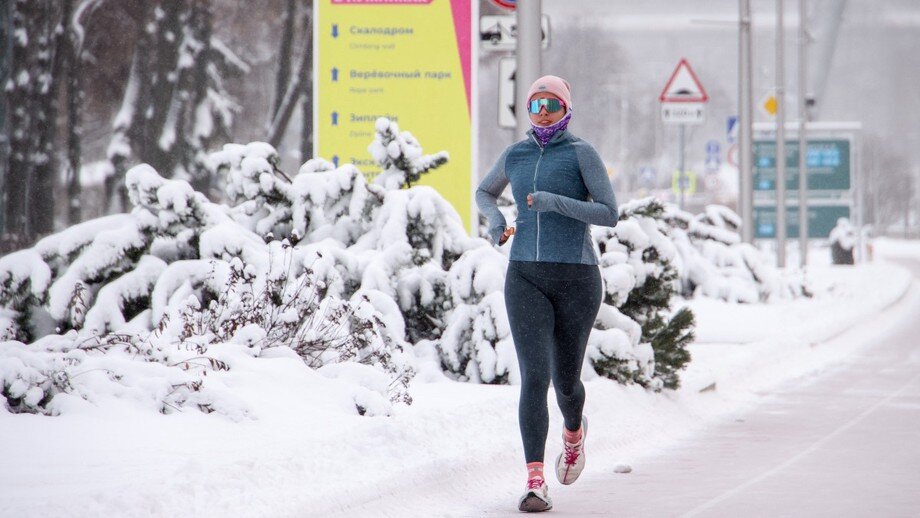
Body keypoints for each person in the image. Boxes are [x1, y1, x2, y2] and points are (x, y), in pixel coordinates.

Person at [476, 75, 619, 512]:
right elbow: (484, 192)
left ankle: (574, 433)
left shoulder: (581, 154)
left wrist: (555, 202)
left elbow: (609, 213)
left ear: (566, 109)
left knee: (565, 383)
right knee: (534, 378)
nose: (541, 112)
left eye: (551, 105)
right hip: (525, 276)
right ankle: (535, 480)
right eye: (535, 104)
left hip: (577, 278)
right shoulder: (515, 154)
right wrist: (496, 222)